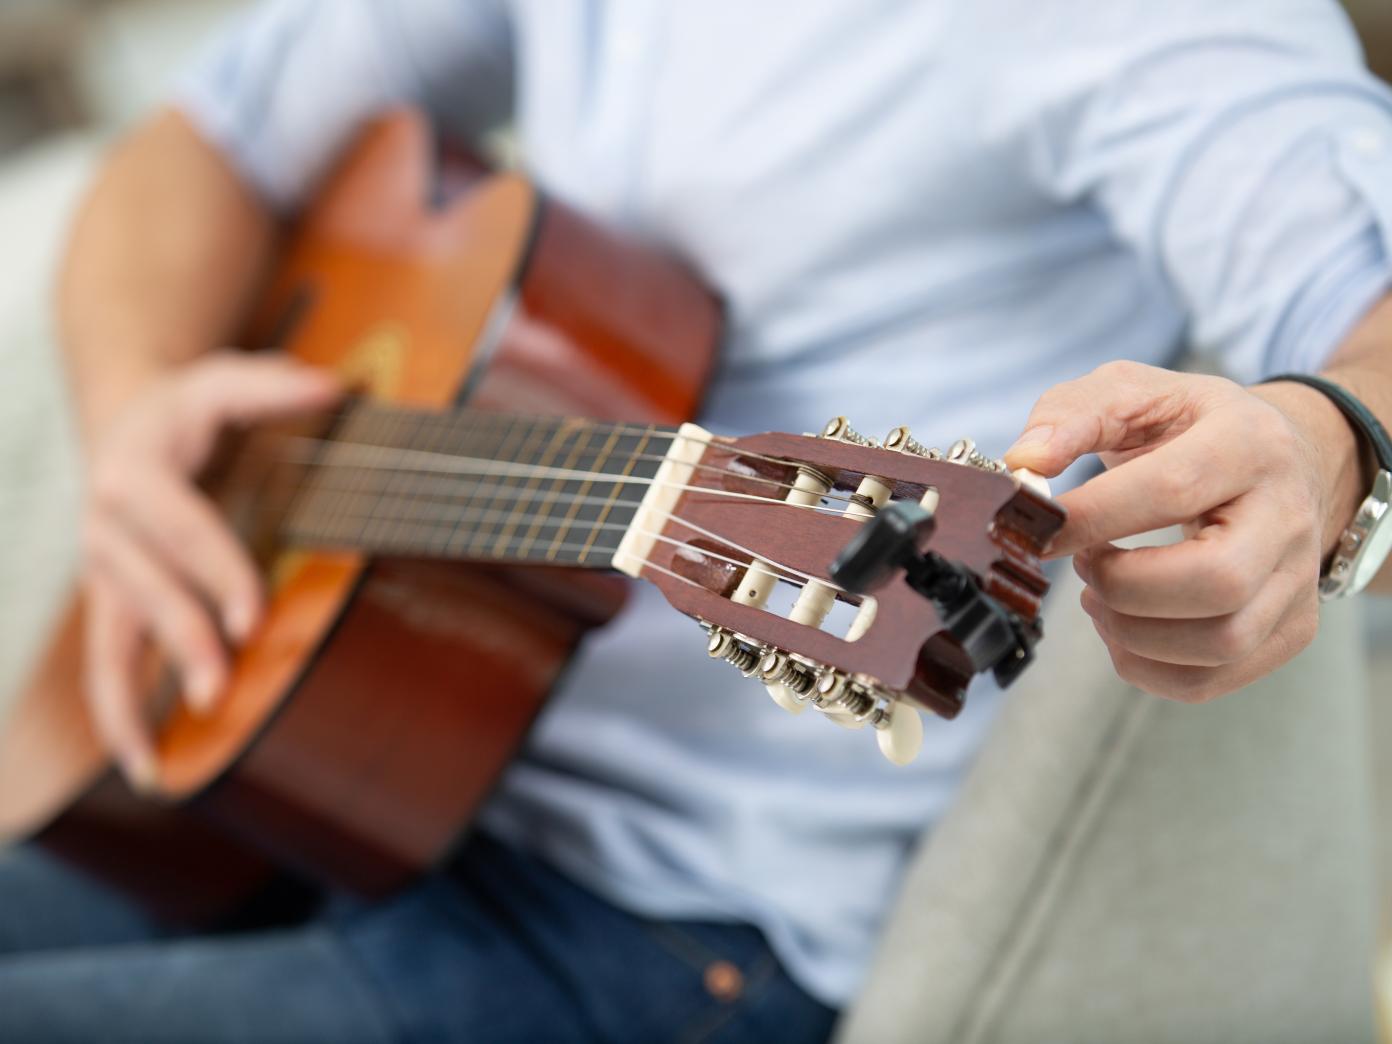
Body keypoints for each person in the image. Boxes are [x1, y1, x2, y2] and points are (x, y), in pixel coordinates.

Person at [3, 0, 1392, 1040]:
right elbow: (206, 140)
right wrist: (136, 414)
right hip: (342, 781)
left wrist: (1327, 448)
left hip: (667, 938)